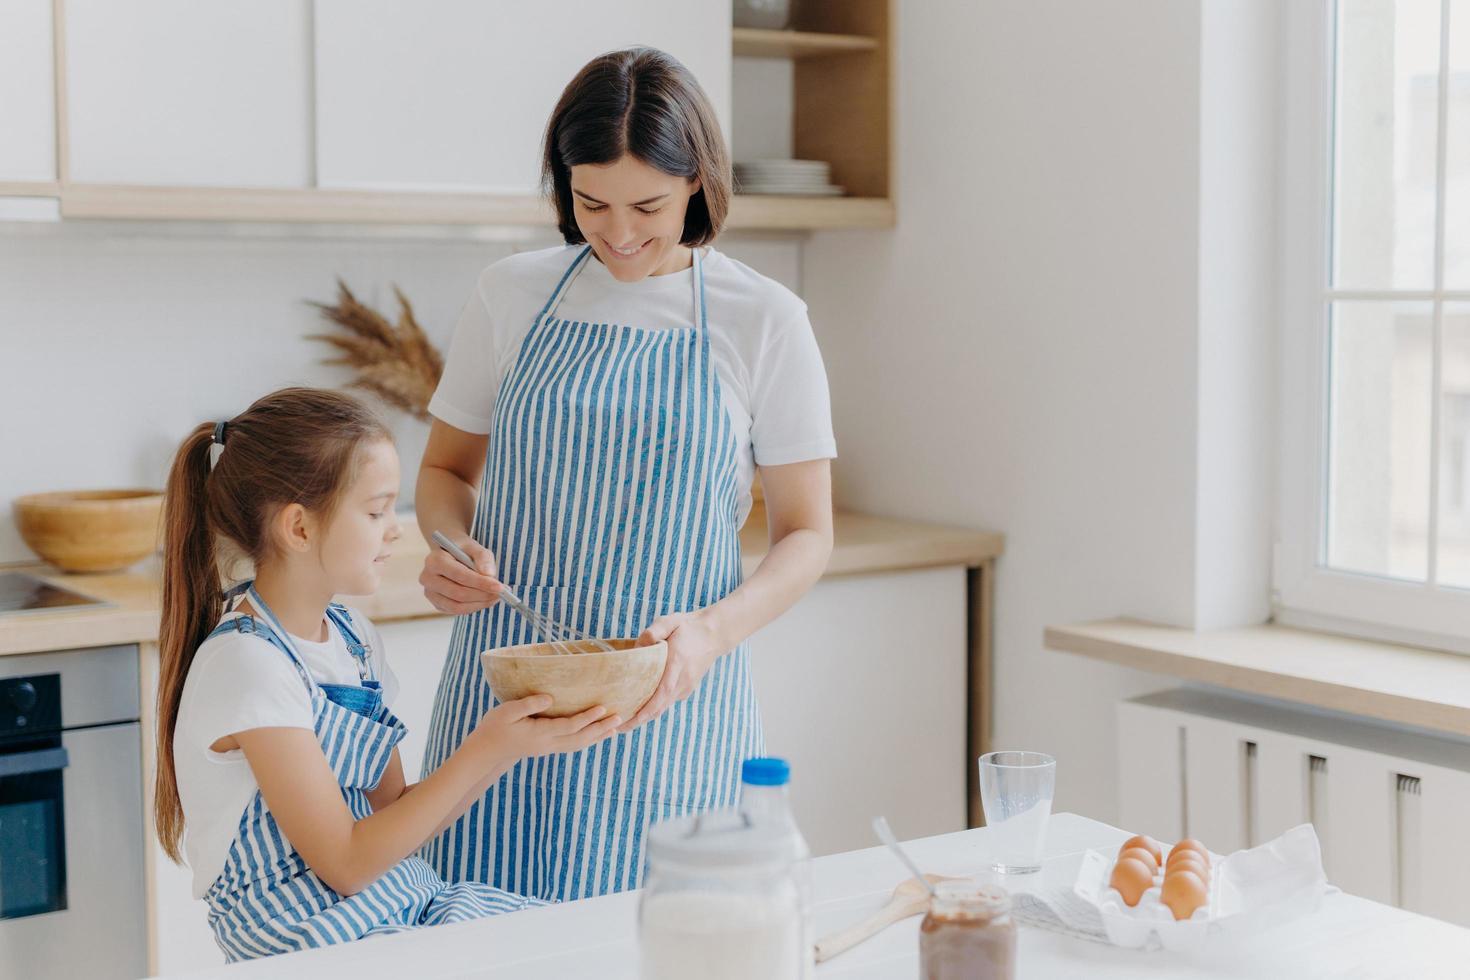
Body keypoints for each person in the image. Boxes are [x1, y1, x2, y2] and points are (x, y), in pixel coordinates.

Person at [415, 47, 836, 900]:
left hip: (669, 708)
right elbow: (445, 472)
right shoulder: (511, 294)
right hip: (507, 702)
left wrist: (711, 634)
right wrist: (451, 545)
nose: (617, 232)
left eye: (647, 204)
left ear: (696, 184)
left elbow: (807, 533)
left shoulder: (767, 321)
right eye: (589, 201)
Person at [154, 387, 619, 961]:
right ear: (298, 529)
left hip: (392, 899)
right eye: (376, 511)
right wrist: (487, 746)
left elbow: (393, 815)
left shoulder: (352, 639)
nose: (396, 528)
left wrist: (515, 745)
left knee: (582, 943)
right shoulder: (248, 665)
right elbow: (346, 864)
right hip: (304, 935)